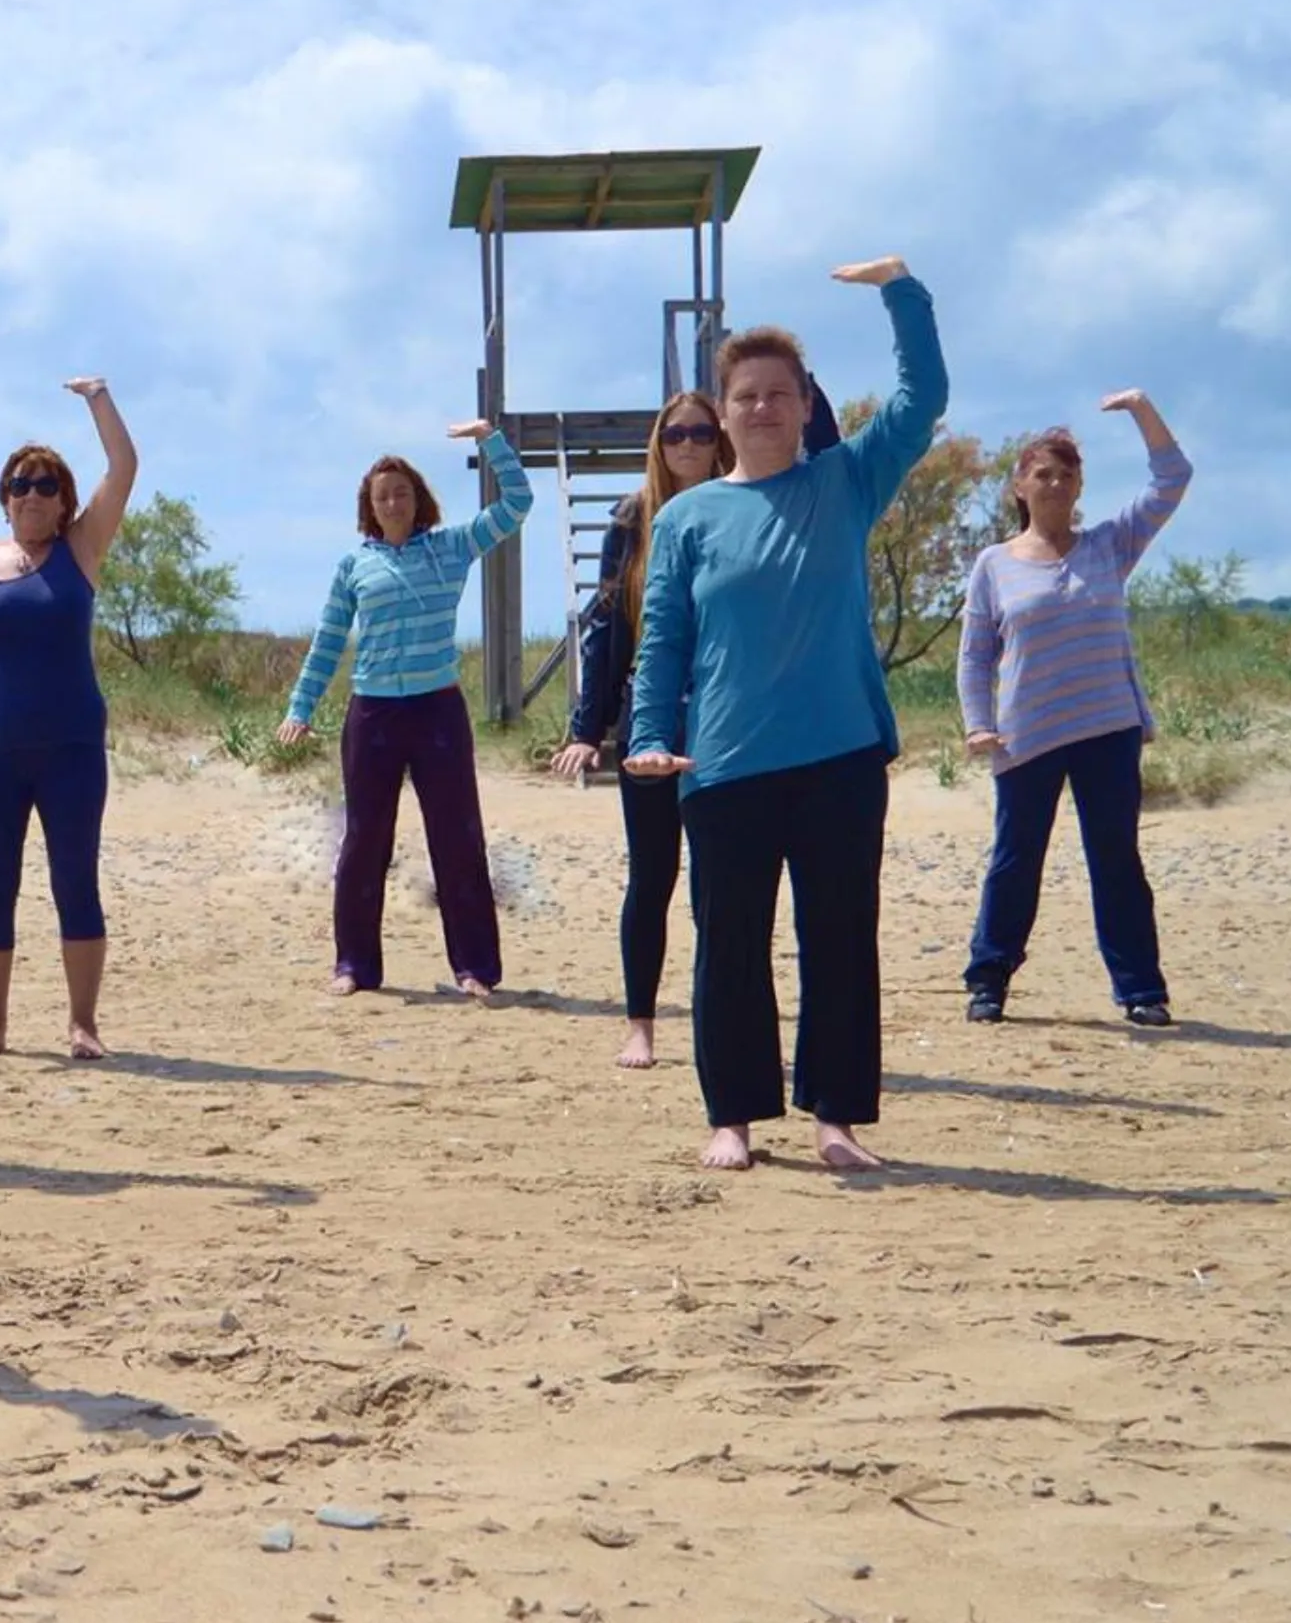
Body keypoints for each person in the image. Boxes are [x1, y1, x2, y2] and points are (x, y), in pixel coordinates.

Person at [624, 257, 948, 1173]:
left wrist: (902, 291)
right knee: (729, 945)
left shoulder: (847, 481)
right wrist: (648, 735)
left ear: (807, 405)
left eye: (779, 393)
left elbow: (923, 400)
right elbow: (664, 640)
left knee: (839, 940)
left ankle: (836, 1120)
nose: (762, 406)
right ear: (722, 413)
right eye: (746, 395)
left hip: (840, 756)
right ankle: (731, 1118)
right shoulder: (687, 520)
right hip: (725, 764)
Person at [556, 379, 844, 1064]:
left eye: (700, 432)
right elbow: (607, 630)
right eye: (674, 433)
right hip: (653, 720)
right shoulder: (633, 519)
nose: (687, 444)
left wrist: (790, 377)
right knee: (651, 875)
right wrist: (588, 728)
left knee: (721, 886)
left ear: (721, 439)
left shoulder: (748, 505)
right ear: (658, 445)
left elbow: (825, 451)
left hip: (728, 719)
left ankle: (724, 1027)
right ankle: (640, 1023)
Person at [0, 378, 139, 1058]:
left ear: (64, 500)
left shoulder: (81, 550)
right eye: (20, 484)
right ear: (4, 497)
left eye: (45, 485)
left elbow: (123, 467)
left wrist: (99, 400)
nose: (32, 494)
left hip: (71, 747)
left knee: (75, 878)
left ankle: (83, 1024)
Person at [957, 391, 1194, 1026]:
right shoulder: (994, 565)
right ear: (1020, 485)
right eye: (1043, 473)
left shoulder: (1109, 545)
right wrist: (978, 723)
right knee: (1015, 860)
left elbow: (1172, 479)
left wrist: (1142, 410)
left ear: (1080, 484)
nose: (1056, 484)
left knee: (1116, 857)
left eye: (1067, 474)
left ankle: (1141, 989)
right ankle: (988, 979)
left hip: (1106, 727)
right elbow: (976, 655)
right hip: (1026, 735)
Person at [275, 421, 531, 998]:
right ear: (369, 507)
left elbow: (518, 504)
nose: (392, 503)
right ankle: (354, 966)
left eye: (402, 493)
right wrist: (300, 707)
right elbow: (328, 639)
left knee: (457, 839)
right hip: (373, 716)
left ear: (419, 500)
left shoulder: (451, 547)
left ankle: (475, 968)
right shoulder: (354, 566)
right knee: (365, 841)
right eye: (382, 496)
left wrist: (490, 440)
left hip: (438, 712)